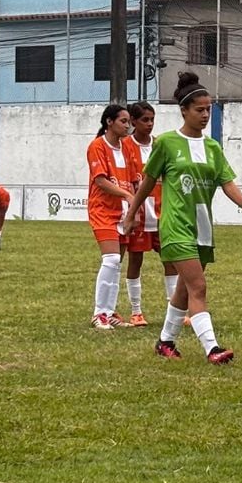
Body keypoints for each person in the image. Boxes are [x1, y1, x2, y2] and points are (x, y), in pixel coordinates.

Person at [123, 72, 242, 365]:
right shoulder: (166, 143)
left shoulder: (213, 147)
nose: (204, 115)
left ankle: (165, 342)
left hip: (202, 227)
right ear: (184, 111)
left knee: (183, 291)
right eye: (199, 109)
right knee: (198, 287)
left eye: (208, 109)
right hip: (175, 225)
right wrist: (131, 213)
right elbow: (148, 182)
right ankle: (212, 349)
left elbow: (227, 182)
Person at [120, 101, 179, 329]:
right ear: (133, 122)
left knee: (170, 259)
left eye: (152, 119)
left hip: (162, 210)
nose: (150, 124)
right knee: (136, 259)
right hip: (140, 212)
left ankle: (173, 310)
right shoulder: (126, 146)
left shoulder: (159, 145)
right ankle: (136, 311)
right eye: (145, 120)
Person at [87, 104, 141, 330]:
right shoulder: (97, 146)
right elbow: (100, 181)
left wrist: (135, 207)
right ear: (109, 122)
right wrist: (127, 195)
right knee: (110, 260)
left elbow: (136, 180)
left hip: (123, 213)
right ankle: (99, 313)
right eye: (124, 121)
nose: (128, 126)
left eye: (129, 122)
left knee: (116, 263)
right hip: (102, 210)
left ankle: (109, 312)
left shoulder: (127, 148)